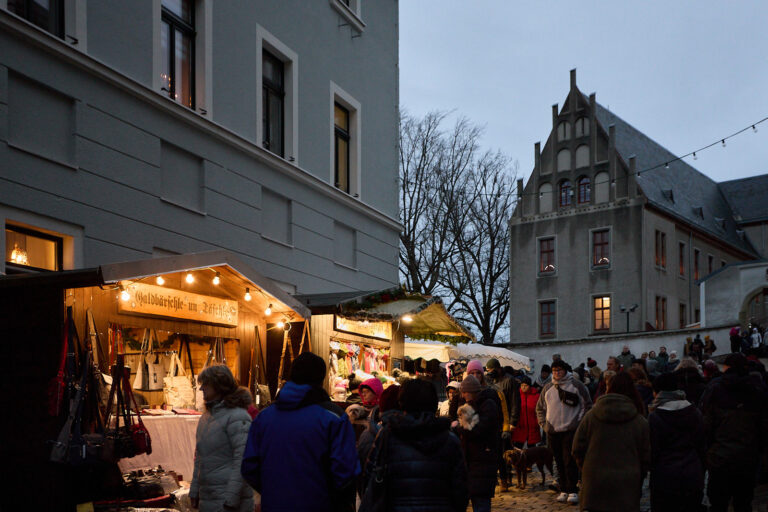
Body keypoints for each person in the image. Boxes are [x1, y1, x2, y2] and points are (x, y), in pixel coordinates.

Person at [242, 352, 360, 512]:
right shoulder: (334, 417)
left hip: (275, 504)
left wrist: (274, 492)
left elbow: (249, 466)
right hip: (320, 505)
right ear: (321, 379)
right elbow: (346, 471)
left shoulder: (264, 417)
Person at [360, 378, 468, 512]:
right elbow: (461, 488)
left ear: (402, 403)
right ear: (433, 404)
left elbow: (370, 477)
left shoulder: (387, 436)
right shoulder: (450, 440)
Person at [572, 372, 650, 512]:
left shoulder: (591, 416)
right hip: (627, 483)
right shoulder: (640, 421)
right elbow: (646, 456)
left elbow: (577, 448)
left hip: (595, 481)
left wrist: (587, 468)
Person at [700, 353, 768, 512]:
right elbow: (763, 427)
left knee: (718, 503)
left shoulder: (715, 388)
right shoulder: (757, 390)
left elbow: (706, 425)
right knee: (743, 503)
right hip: (747, 457)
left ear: (727, 367)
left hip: (719, 457)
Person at [190, 365, 255, 512]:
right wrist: (195, 490)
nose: (201, 389)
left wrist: (231, 499)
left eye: (205, 384)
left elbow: (242, 460)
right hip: (209, 499)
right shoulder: (205, 418)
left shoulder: (238, 417)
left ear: (218, 385)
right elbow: (199, 458)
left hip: (228, 501)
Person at [535, 359, 592, 504]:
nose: (557, 373)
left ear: (565, 370)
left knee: (569, 460)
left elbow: (587, 405)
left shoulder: (576, 385)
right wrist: (544, 424)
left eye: (559, 370)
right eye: (554, 371)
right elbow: (540, 408)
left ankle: (573, 490)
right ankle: (563, 489)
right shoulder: (548, 388)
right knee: (559, 461)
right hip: (553, 431)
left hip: (570, 430)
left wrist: (578, 424)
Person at [648, 372, 705, 512]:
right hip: (692, 474)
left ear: (658, 392)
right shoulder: (694, 412)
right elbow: (702, 446)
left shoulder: (655, 417)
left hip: (664, 478)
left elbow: (652, 451)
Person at [454, 374, 500, 512]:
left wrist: (458, 426)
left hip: (484, 460)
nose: (462, 396)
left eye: (465, 392)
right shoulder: (470, 405)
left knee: (481, 501)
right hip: (470, 461)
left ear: (472, 392)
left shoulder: (488, 405)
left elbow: (475, 430)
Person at [485, 358, 519, 491]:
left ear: (498, 368)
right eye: (487, 371)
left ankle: (506, 479)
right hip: (493, 422)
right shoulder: (490, 381)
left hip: (505, 421)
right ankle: (497, 479)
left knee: (504, 452)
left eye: (491, 370)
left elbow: (515, 402)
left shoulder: (509, 381)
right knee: (495, 453)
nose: (489, 373)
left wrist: (513, 422)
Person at [511, 376, 541, 448]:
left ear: (530, 386)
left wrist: (537, 422)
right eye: (522, 385)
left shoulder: (536, 396)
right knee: (518, 447)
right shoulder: (516, 395)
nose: (523, 387)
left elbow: (540, 409)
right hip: (520, 425)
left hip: (532, 426)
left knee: (532, 448)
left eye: (526, 385)